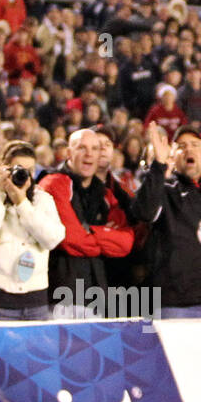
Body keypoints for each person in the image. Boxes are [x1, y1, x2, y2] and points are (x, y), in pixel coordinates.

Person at [135, 123, 201, 318]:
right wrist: (158, 165)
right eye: (181, 146)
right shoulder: (165, 191)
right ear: (173, 157)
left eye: (195, 144)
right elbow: (144, 212)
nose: (189, 149)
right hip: (177, 305)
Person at [39, 128, 134, 317]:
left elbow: (125, 242)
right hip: (59, 297)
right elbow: (70, 239)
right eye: (81, 147)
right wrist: (104, 235)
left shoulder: (106, 194)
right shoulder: (53, 183)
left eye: (94, 148)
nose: (89, 154)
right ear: (68, 153)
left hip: (97, 298)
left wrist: (89, 231)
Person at [0, 140, 65, 320]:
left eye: (30, 170)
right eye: (19, 169)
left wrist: (22, 204)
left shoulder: (43, 199)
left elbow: (52, 239)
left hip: (36, 299)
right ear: (4, 168)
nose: (25, 175)